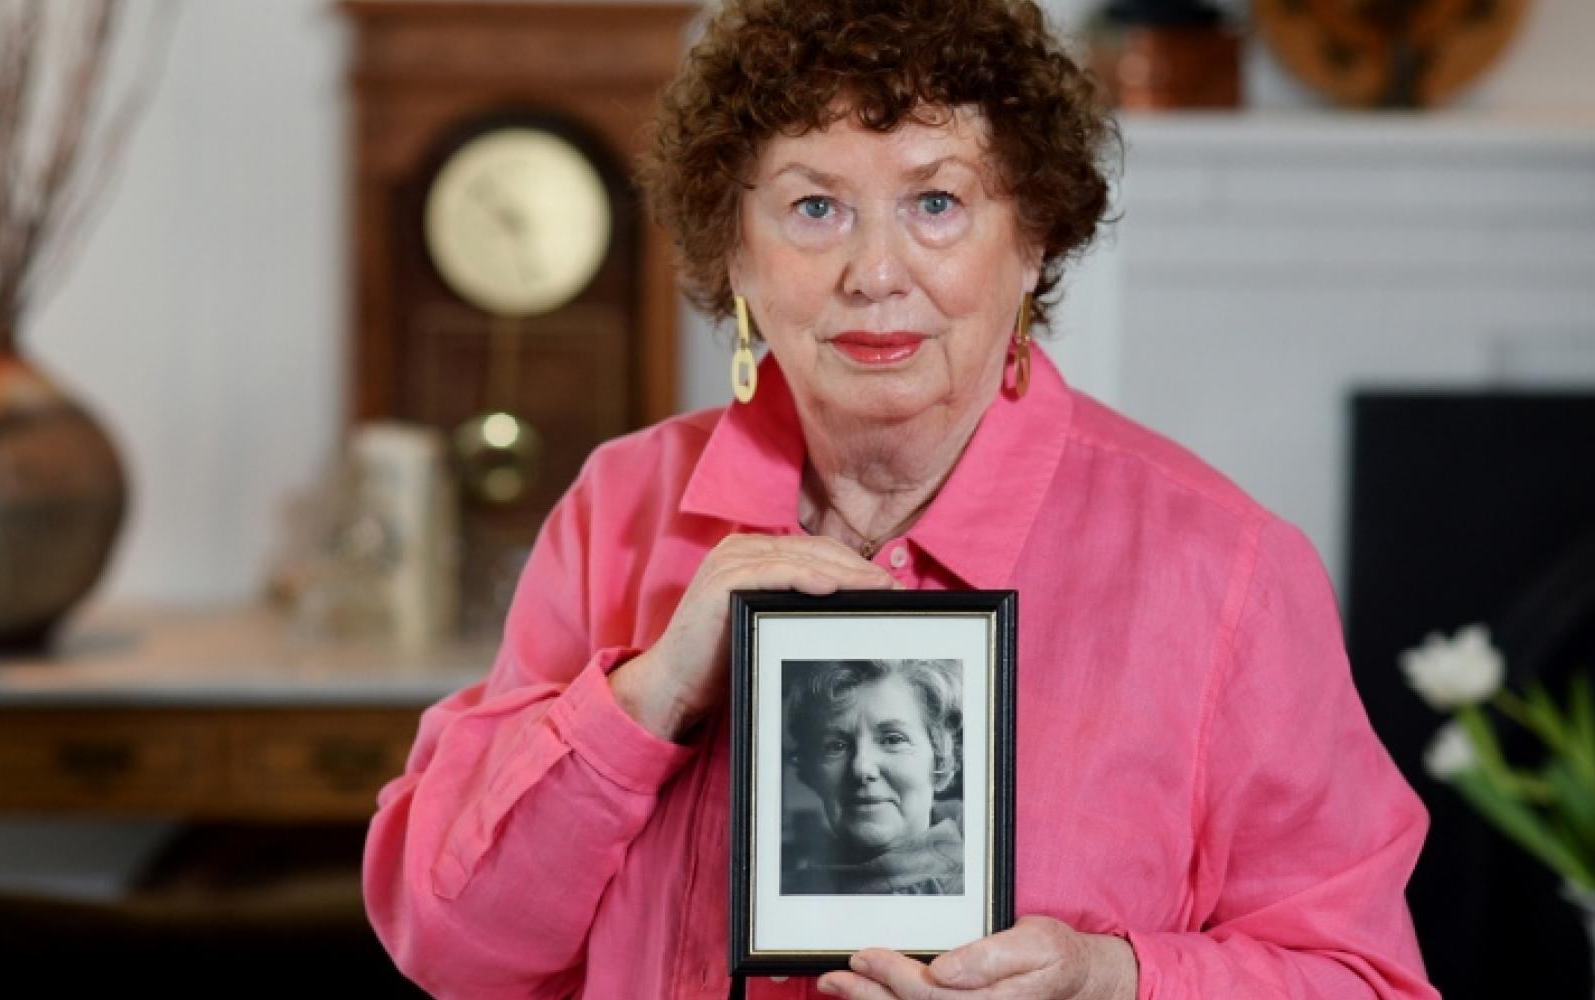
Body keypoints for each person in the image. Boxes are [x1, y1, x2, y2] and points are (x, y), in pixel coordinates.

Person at [363, 1, 1441, 997]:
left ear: (1032, 240)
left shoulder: (1227, 569)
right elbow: (451, 945)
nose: (876, 271)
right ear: (734, 252)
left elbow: (1364, 977)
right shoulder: (623, 508)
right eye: (815, 206)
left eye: (936, 201)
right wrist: (648, 695)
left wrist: (1113, 979)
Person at [781, 659, 965, 896]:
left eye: (892, 739)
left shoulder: (979, 893)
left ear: (940, 757)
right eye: (836, 745)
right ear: (813, 771)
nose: (861, 768)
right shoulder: (788, 894)